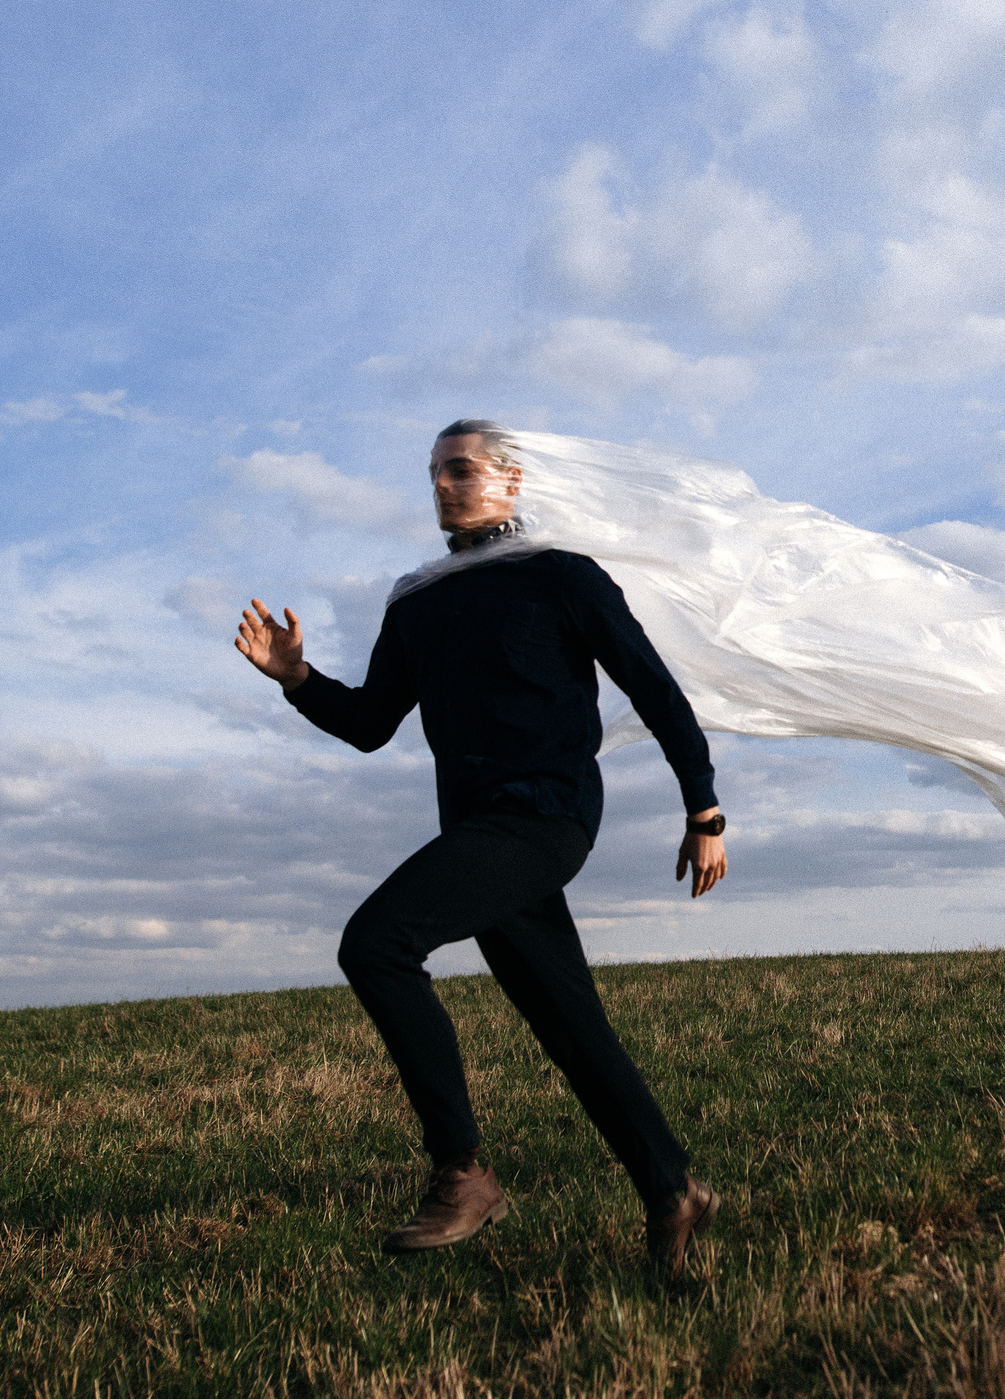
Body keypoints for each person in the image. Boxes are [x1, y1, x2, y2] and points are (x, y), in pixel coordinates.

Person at [234, 418, 727, 1276]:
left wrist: (704, 806)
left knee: (377, 941)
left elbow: (653, 686)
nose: (442, 486)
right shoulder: (416, 599)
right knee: (570, 1023)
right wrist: (300, 680)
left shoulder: (561, 575)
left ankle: (462, 1172)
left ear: (510, 480)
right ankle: (672, 1189)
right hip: (475, 828)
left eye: (459, 470)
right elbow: (370, 725)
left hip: (547, 815)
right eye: (433, 473)